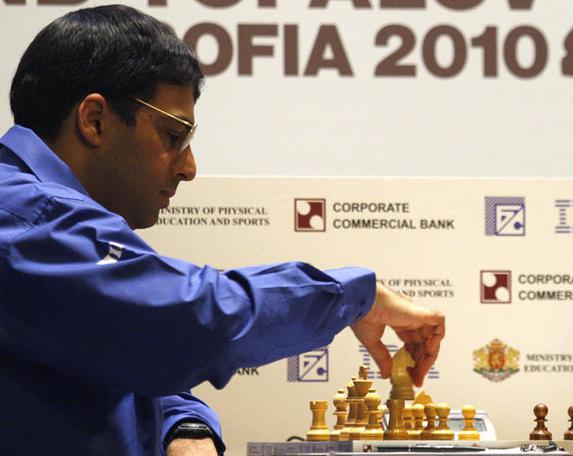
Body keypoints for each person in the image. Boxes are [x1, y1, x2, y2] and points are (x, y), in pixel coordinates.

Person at [0, 5, 444, 455]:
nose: (189, 168)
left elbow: (121, 349)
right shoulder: (24, 219)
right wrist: (352, 297)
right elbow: (187, 321)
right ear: (94, 120)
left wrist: (185, 424)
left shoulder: (42, 219)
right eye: (174, 136)